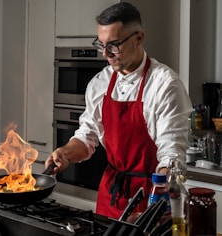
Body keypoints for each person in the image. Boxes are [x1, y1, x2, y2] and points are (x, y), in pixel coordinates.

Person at [45, 2, 192, 219]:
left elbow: (171, 157)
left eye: (113, 45)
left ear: (138, 38)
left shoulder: (165, 85)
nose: (105, 54)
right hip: (111, 196)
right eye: (101, 44)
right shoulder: (99, 83)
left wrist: (155, 205)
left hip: (152, 199)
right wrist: (65, 153)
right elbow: (87, 137)